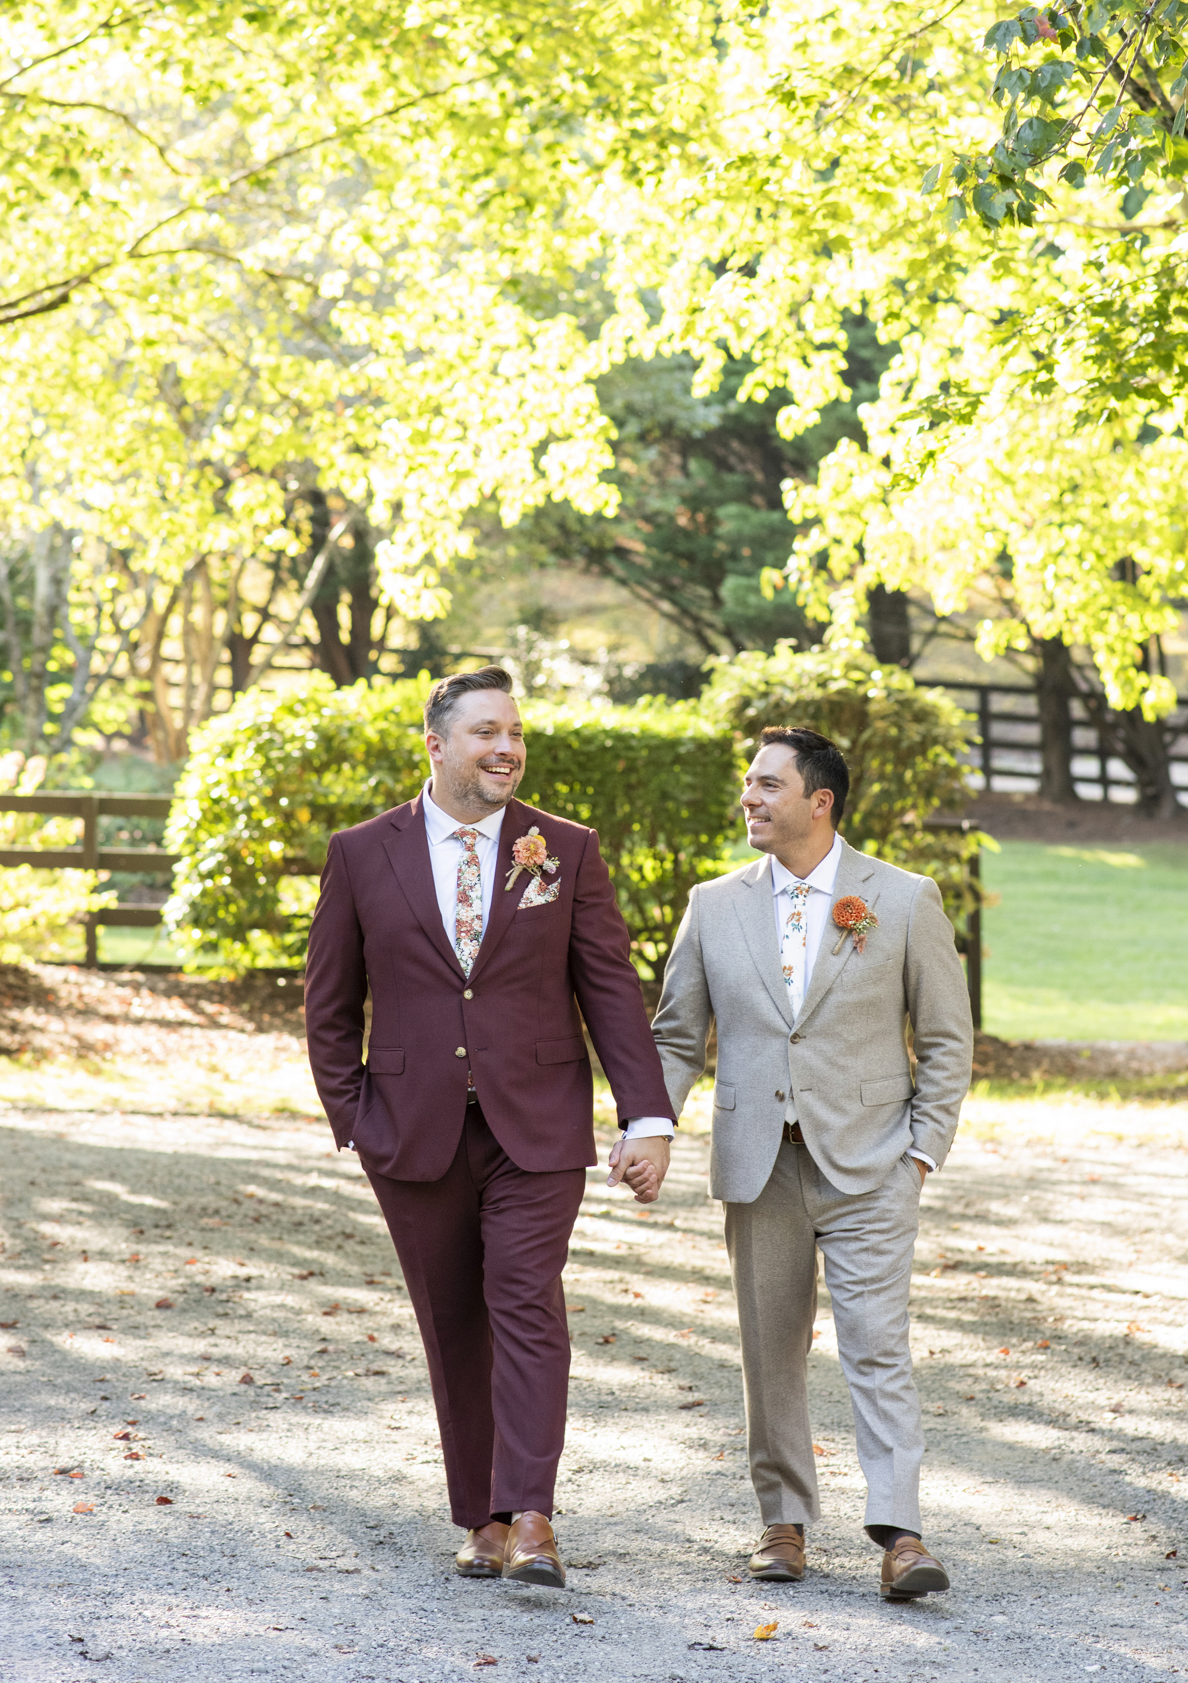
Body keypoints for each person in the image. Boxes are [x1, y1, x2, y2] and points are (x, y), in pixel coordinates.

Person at [304, 666, 676, 1588]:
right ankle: (481, 1516)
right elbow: (329, 1002)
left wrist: (647, 1115)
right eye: (485, 733)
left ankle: (533, 1516)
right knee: (453, 1320)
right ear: (436, 745)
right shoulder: (361, 852)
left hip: (538, 1126)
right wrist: (357, 1118)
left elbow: (611, 990)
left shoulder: (566, 850)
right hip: (411, 1132)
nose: (506, 747)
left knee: (523, 1298)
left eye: (515, 732)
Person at [652, 726, 973, 1598]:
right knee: (769, 1351)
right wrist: (651, 1122)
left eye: (765, 785)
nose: (748, 797)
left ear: (818, 801)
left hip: (872, 1165)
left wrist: (920, 1153)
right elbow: (677, 1034)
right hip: (759, 1164)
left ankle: (901, 1534)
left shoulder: (902, 899)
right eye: (746, 784)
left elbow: (946, 1038)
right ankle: (781, 1523)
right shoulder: (712, 904)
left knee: (876, 1346)